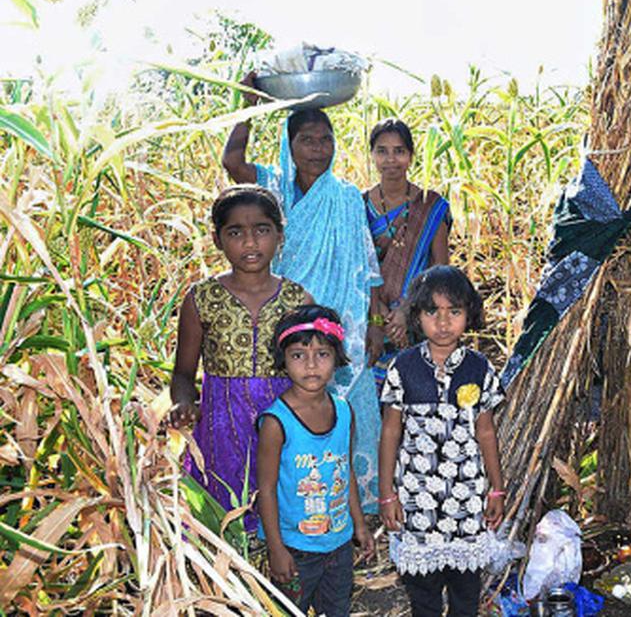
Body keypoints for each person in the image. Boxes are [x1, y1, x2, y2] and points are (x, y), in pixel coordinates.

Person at [223, 74, 384, 510]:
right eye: (308, 139)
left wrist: (372, 324)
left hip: (342, 327)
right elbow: (232, 160)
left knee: (350, 414)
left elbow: (364, 268)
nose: (319, 148)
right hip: (285, 322)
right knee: (291, 414)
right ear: (289, 145)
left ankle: (358, 511)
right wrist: (248, 101)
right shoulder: (271, 188)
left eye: (326, 139)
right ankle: (298, 509)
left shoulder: (347, 198)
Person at [170, 185, 312, 532]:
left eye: (261, 231)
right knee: (223, 517)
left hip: (283, 422)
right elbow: (183, 374)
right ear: (217, 239)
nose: (250, 243)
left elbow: (314, 370)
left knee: (286, 510)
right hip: (220, 429)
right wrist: (185, 404)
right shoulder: (201, 299)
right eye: (236, 233)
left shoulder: (297, 299)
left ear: (279, 235)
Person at [378, 266, 505, 617]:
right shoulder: (402, 368)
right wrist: (387, 493)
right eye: (432, 311)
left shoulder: (478, 369)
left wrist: (496, 489)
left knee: (466, 590)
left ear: (469, 314)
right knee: (423, 594)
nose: (444, 322)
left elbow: (486, 432)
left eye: (455, 312)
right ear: (418, 316)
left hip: (466, 499)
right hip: (417, 500)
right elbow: (390, 431)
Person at [257, 305, 374, 617]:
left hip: (339, 542)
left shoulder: (344, 410)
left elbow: (344, 469)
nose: (311, 364)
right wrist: (276, 549)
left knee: (336, 609)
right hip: (296, 548)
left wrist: (359, 525)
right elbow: (266, 490)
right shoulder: (276, 422)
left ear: (337, 358)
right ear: (284, 361)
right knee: (289, 610)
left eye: (322, 354)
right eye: (298, 355)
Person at [363, 118, 452, 382]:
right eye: (382, 151)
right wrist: (377, 316)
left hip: (418, 313)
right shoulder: (358, 206)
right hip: (369, 316)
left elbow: (440, 269)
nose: (391, 160)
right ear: (372, 156)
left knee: (414, 391)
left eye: (399, 151)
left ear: (411, 156)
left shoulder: (430, 206)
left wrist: (405, 310)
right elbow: (357, 266)